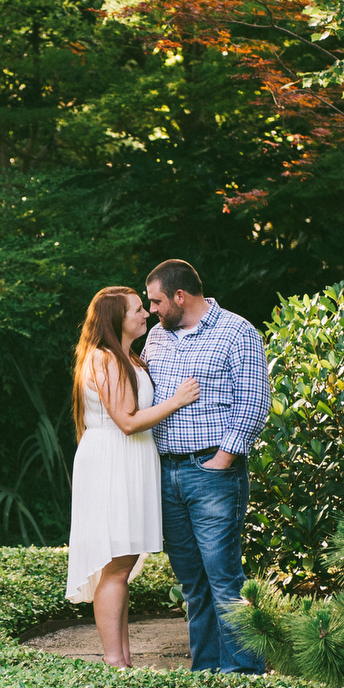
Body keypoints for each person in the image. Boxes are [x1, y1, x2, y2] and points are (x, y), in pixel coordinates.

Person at [142, 259, 272, 674]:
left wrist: (223, 459)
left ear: (180, 296)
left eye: (157, 301)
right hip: (167, 475)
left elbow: (254, 402)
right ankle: (207, 674)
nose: (152, 310)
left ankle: (244, 677)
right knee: (192, 586)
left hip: (212, 472)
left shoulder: (237, 332)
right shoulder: (156, 338)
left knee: (224, 579)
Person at [66, 286, 201, 667]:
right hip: (112, 461)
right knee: (116, 566)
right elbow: (126, 422)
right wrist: (176, 401)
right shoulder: (105, 359)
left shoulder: (128, 357)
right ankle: (115, 662)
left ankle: (123, 659)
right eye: (138, 310)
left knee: (121, 567)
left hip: (130, 461)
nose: (146, 314)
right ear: (116, 320)